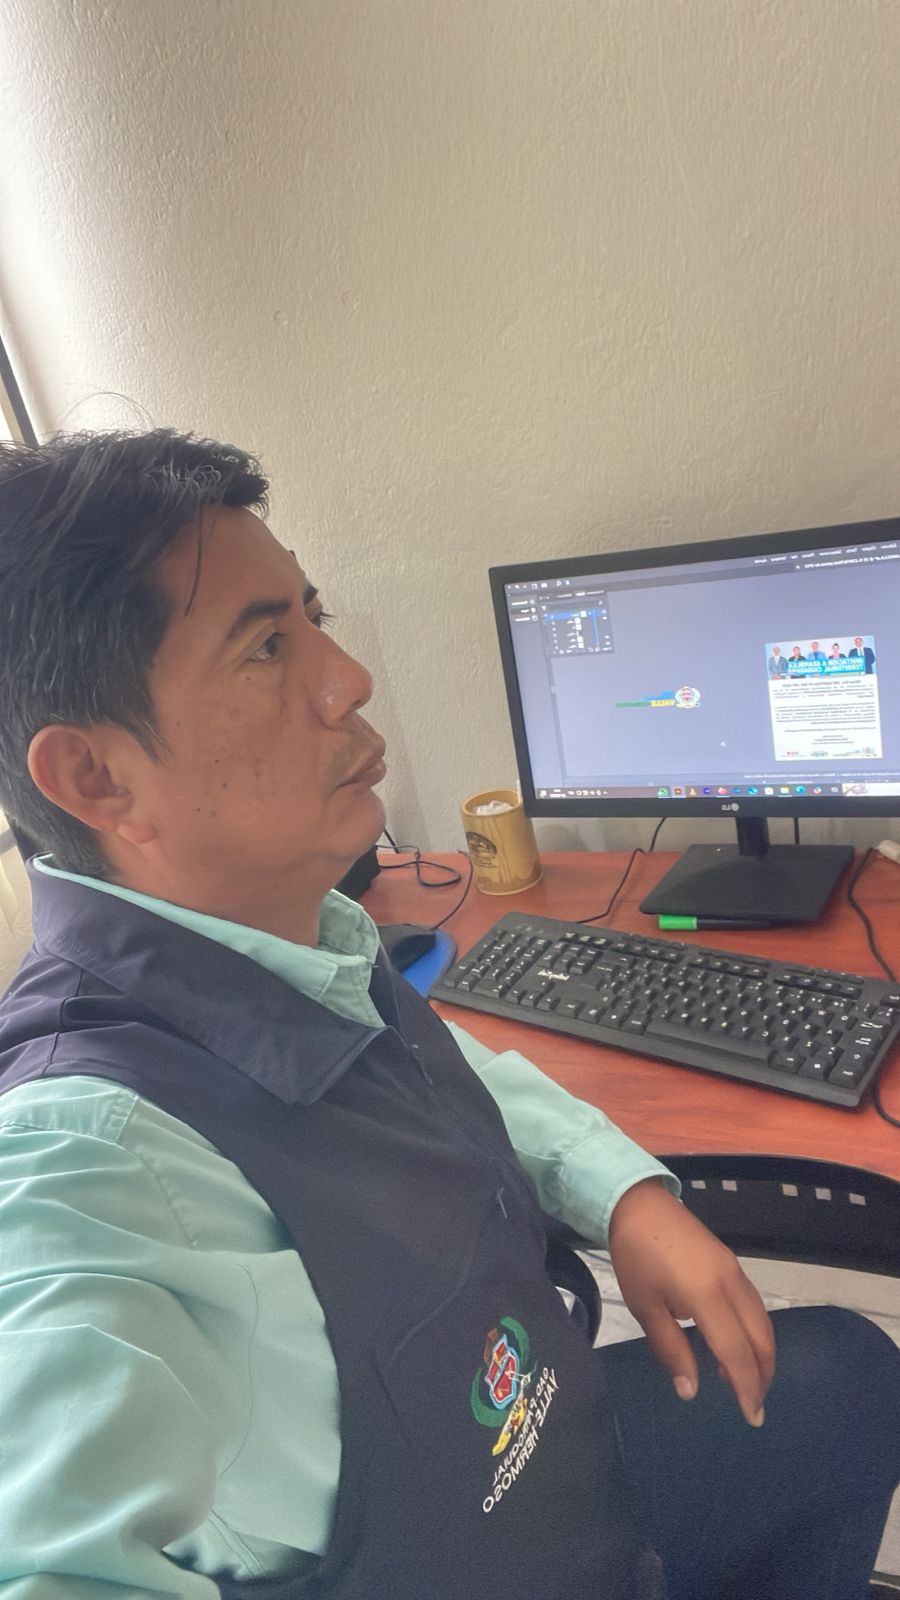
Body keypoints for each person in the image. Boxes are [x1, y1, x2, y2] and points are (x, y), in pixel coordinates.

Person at [0, 430, 898, 1600]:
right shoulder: (83, 1175)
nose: (348, 677)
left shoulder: (294, 941)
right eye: (266, 644)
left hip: (558, 1470)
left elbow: (427, 1059)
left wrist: (621, 1188)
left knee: (848, 1378)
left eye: (313, 615)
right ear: (97, 778)